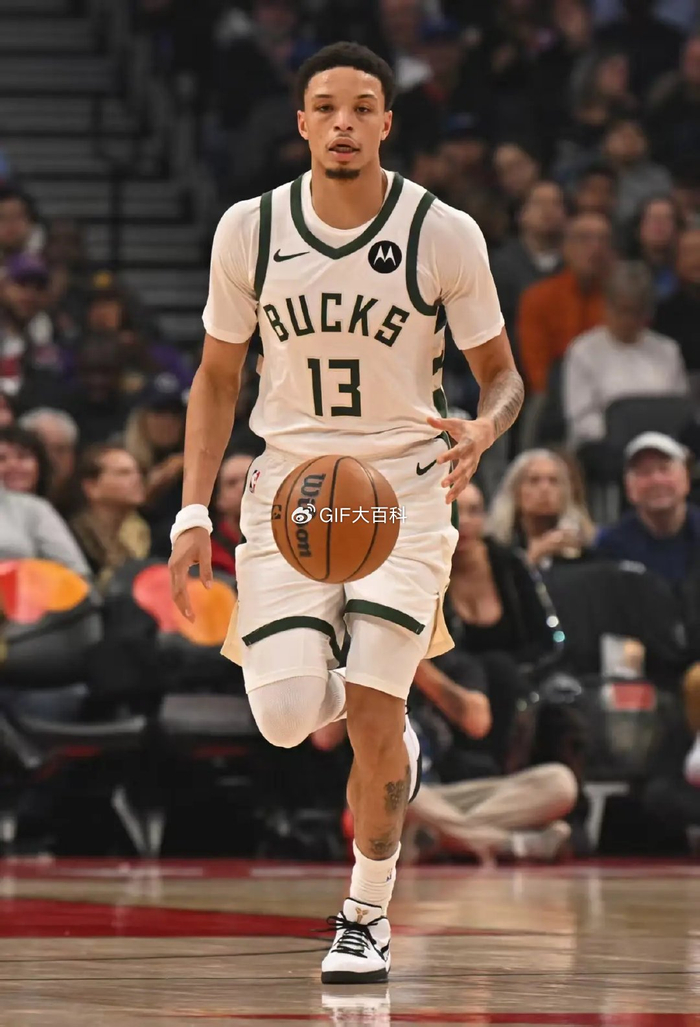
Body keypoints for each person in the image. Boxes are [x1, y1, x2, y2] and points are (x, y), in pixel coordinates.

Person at [168, 42, 523, 985]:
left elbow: (504, 376)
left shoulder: (443, 232)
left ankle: (365, 913)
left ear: (387, 123)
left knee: (373, 705)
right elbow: (215, 377)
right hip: (290, 489)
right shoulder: (249, 230)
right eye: (326, 107)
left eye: (362, 107)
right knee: (287, 715)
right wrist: (191, 513)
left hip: (406, 488)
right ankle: (385, 715)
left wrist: (485, 428)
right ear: (301, 122)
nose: (343, 123)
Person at [562, 260, 688, 455]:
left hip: (660, 448)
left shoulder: (668, 350)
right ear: (606, 306)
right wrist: (626, 434)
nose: (628, 320)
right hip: (604, 447)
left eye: (636, 312)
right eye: (622, 310)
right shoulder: (583, 351)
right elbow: (581, 418)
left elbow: (678, 409)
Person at [517, 211, 613, 394]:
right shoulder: (537, 298)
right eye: (584, 239)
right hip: (555, 397)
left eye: (603, 240)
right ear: (566, 248)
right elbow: (537, 373)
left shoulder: (622, 300)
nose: (596, 248)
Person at [594, 432, 700, 587]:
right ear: (629, 488)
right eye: (645, 472)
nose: (656, 480)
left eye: (664, 469)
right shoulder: (611, 549)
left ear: (686, 478)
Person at [487, 448, 595, 568]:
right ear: (515, 491)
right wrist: (534, 556)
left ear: (565, 493)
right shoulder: (494, 548)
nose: (545, 489)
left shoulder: (582, 547)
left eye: (553, 481)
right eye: (534, 481)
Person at [70, 444, 150, 590]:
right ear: (91, 487)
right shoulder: (74, 539)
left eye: (138, 472)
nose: (137, 479)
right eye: (123, 473)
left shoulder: (137, 535)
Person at [210, 451, 255, 576]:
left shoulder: (292, 543)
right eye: (232, 483)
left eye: (252, 479)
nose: (243, 487)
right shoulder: (206, 554)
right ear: (218, 499)